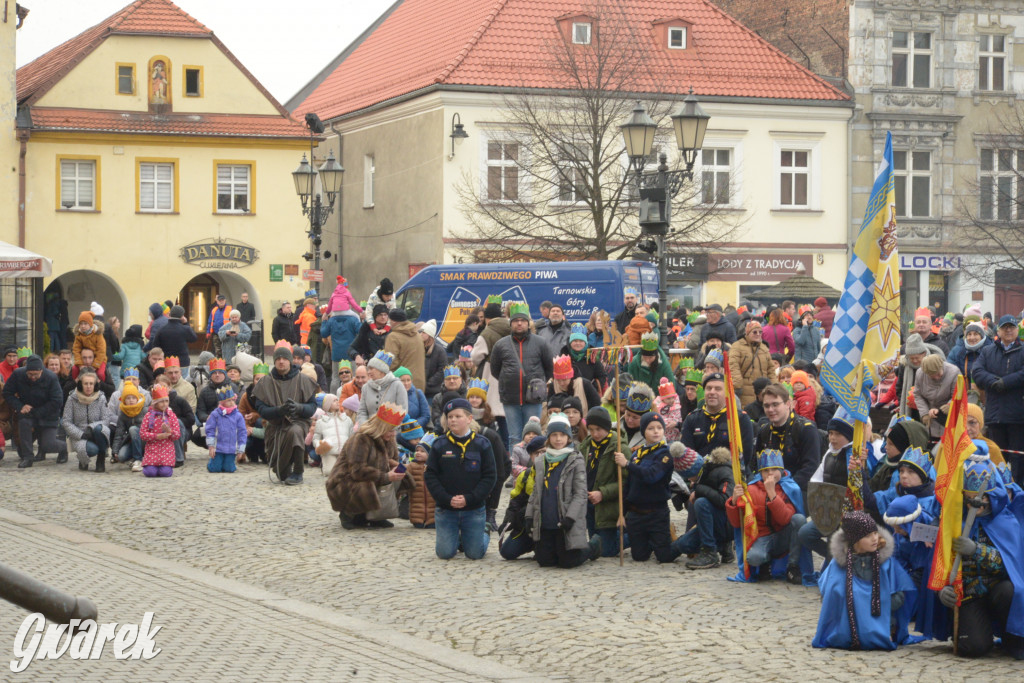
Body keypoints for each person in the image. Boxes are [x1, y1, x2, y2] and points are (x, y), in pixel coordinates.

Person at [934, 458, 1024, 658]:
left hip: (998, 589)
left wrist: (977, 550)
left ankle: (1012, 638)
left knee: (1010, 591)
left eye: (979, 498)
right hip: (970, 593)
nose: (974, 504)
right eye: (969, 498)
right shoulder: (956, 521)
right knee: (973, 648)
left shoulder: (1006, 522)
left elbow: (1008, 566)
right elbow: (942, 561)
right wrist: (942, 588)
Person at [812, 511, 915, 650]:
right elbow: (830, 597)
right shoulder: (838, 566)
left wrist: (870, 603)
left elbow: (899, 596)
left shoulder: (885, 563)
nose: (874, 538)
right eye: (867, 536)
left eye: (874, 533)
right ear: (855, 541)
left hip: (880, 622)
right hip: (846, 626)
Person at [424, 397, 497, 560]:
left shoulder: (482, 444)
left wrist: (470, 498)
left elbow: (490, 476)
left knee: (474, 554)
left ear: (469, 419)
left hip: (473, 508)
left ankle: (483, 531)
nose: (453, 420)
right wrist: (446, 498)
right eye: (450, 417)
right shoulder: (439, 444)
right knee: (445, 553)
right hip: (446, 509)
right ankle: (455, 537)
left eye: (458, 416)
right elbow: (430, 475)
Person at [524, 414, 601, 567]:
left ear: (568, 437)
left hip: (565, 521)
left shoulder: (575, 460)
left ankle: (591, 547)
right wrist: (529, 515)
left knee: (567, 562)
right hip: (546, 520)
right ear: (548, 437)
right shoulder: (541, 461)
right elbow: (535, 492)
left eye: (562, 435)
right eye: (554, 435)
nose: (558, 439)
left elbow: (580, 494)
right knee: (545, 561)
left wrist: (570, 518)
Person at [726, 448, 805, 581]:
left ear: (780, 470)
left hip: (783, 535)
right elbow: (737, 523)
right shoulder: (751, 489)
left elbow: (785, 519)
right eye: (765, 470)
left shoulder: (790, 487)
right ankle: (764, 563)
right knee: (754, 558)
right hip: (762, 537)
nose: (770, 474)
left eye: (774, 469)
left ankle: (792, 566)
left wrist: (772, 494)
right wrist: (734, 501)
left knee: (799, 519)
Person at [251, 344, 319, 485]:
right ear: (274, 361)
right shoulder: (265, 382)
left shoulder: (303, 380)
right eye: (278, 358)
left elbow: (312, 407)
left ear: (290, 360)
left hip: (297, 421)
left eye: (284, 358)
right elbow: (262, 410)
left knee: (295, 432)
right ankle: (284, 468)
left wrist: (299, 407)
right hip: (275, 426)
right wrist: (279, 411)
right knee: (282, 474)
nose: (281, 361)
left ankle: (298, 471)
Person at [489, 303, 553, 448]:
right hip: (510, 398)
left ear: (528, 323)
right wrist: (508, 381)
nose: (519, 323)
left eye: (522, 321)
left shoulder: (540, 343)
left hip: (533, 398)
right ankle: (516, 469)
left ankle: (533, 467)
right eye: (516, 321)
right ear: (510, 323)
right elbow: (495, 370)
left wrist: (538, 384)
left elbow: (549, 368)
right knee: (514, 437)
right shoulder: (500, 345)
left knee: (533, 436)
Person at [613, 412, 674, 563]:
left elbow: (652, 476)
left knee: (665, 557)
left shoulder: (665, 454)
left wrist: (627, 464)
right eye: (651, 428)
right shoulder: (637, 455)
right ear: (643, 432)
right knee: (639, 557)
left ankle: (676, 538)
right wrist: (622, 513)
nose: (656, 431)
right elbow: (628, 485)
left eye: (659, 428)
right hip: (636, 514)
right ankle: (649, 541)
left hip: (656, 512)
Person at [972, 314, 1024, 482]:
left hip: (1018, 415)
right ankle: (998, 488)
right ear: (998, 331)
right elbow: (977, 372)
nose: (1008, 330)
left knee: (1017, 458)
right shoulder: (988, 351)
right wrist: (994, 381)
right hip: (995, 414)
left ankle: (1016, 489)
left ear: (1017, 330)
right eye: (1004, 327)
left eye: (1011, 327)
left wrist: (1006, 382)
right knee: (997, 454)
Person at [2, 354, 65, 468]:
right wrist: (20, 406)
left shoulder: (51, 377)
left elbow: (57, 401)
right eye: (30, 374)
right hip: (27, 413)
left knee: (48, 445)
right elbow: (7, 392)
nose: (32, 377)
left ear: (42, 371)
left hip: (48, 414)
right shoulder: (18, 374)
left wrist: (37, 412)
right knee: (23, 426)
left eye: (36, 374)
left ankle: (63, 448)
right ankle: (28, 457)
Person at [582, 406, 627, 557]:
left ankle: (638, 536)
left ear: (607, 427)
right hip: (589, 505)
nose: (595, 434)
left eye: (599, 429)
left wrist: (602, 493)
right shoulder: (586, 446)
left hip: (608, 506)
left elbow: (626, 482)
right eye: (591, 429)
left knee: (606, 551)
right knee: (596, 546)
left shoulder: (619, 446)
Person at [681, 373, 754, 461]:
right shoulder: (692, 419)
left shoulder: (739, 418)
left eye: (718, 389)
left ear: (727, 393)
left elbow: (745, 456)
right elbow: (687, 455)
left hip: (729, 472)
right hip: (700, 472)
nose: (712, 392)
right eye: (709, 388)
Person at [470, 299, 509, 446]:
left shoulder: (487, 333)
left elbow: (475, 357)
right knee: (505, 419)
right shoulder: (511, 329)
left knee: (491, 414)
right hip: (509, 376)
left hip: (490, 375)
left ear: (487, 318)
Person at [62, 372, 111, 472]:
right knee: (92, 450)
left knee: (99, 429)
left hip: (97, 432)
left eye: (91, 384)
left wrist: (91, 427)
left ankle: (101, 459)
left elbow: (106, 419)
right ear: (80, 384)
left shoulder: (101, 398)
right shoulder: (72, 398)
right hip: (79, 435)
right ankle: (83, 459)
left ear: (95, 385)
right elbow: (66, 421)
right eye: (86, 384)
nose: (88, 386)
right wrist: (81, 434)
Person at [913, 354, 960, 440]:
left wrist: (948, 406)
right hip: (930, 417)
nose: (936, 377)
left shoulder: (954, 372)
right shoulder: (920, 373)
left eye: (938, 374)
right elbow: (917, 394)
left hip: (949, 417)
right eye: (932, 376)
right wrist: (924, 413)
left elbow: (957, 395)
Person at [138, 384, 179, 478]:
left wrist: (170, 431)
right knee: (150, 473)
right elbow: (142, 434)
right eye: (161, 402)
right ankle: (151, 466)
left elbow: (177, 435)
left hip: (166, 451)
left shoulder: (171, 415)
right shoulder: (148, 416)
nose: (164, 404)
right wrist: (156, 436)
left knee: (165, 473)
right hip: (152, 450)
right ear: (155, 403)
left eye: (166, 401)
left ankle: (165, 466)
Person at [357, 350, 408, 425]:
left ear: (381, 370)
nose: (368, 372)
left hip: (391, 431)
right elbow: (362, 412)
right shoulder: (366, 387)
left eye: (371, 369)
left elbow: (402, 412)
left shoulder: (397, 385)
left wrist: (388, 430)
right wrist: (365, 428)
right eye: (368, 369)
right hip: (369, 432)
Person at [729, 320, 773, 406]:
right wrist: (737, 385)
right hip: (743, 390)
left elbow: (771, 370)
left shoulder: (764, 348)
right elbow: (733, 365)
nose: (758, 334)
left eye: (760, 332)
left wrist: (774, 387)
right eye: (754, 332)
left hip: (762, 391)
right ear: (748, 333)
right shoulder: (737, 346)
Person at [204, 386, 246, 474]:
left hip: (231, 448)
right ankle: (212, 465)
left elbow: (242, 432)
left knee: (229, 469)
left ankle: (227, 464)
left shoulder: (238, 416)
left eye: (232, 400)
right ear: (222, 402)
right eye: (228, 400)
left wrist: (240, 449)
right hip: (218, 447)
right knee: (215, 468)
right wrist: (211, 446)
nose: (231, 403)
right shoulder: (215, 414)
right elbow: (210, 429)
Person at [148, 306, 197, 380]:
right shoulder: (184, 329)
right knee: (182, 383)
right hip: (182, 362)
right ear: (182, 316)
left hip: (167, 362)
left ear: (170, 314)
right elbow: (193, 338)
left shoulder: (161, 330)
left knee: (168, 383)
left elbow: (155, 346)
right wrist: (186, 323)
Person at [111, 382, 146, 471]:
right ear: (123, 400)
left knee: (133, 429)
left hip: (145, 439)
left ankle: (138, 459)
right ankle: (134, 457)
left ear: (137, 398)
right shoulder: (123, 414)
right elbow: (119, 433)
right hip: (131, 441)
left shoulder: (144, 410)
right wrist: (115, 450)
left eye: (133, 398)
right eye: (128, 398)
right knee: (121, 456)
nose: (131, 400)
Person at [313, 393, 352, 475]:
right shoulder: (321, 422)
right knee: (329, 472)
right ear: (327, 405)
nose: (337, 402)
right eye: (334, 401)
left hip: (345, 452)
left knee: (345, 473)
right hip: (329, 452)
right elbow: (316, 438)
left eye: (337, 400)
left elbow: (352, 436)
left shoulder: (347, 420)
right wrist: (319, 445)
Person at [419, 320, 447, 401]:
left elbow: (442, 370)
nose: (421, 334)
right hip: (420, 390)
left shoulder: (439, 351)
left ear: (430, 335)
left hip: (433, 392)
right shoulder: (418, 348)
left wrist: (428, 383)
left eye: (423, 333)